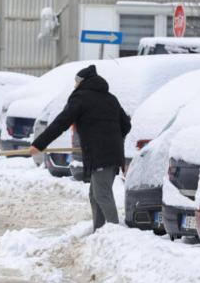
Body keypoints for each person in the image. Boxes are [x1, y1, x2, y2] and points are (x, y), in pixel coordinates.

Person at [30, 65, 131, 231]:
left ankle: (116, 233)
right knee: (95, 194)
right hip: (111, 154)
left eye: (76, 82)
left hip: (101, 154)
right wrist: (111, 138)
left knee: (102, 194)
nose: (75, 85)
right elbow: (126, 125)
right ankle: (100, 231)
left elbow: (61, 122)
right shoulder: (110, 98)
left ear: (82, 82)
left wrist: (39, 144)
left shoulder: (81, 98)